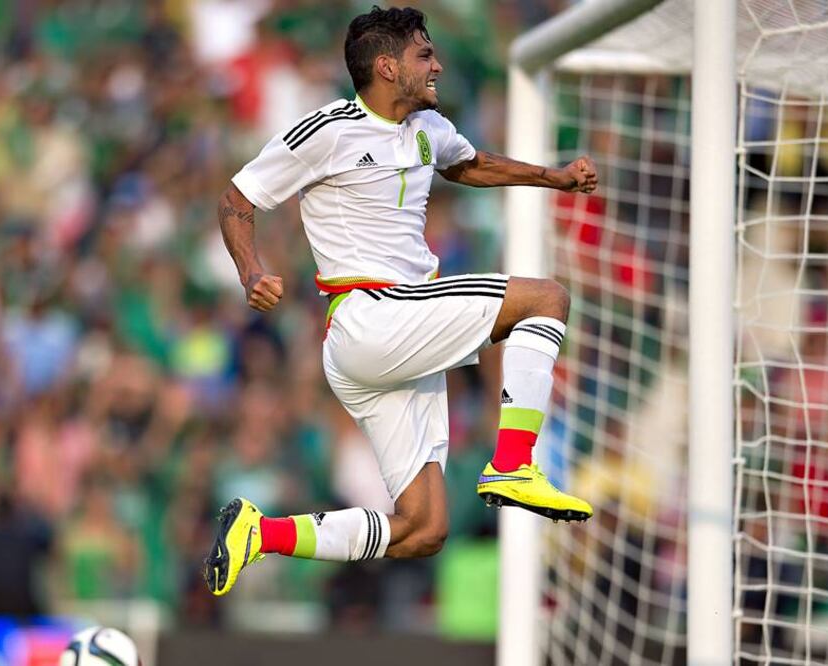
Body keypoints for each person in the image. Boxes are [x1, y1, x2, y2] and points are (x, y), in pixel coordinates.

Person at [206, 6, 597, 597]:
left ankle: (261, 534)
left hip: (389, 344)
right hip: (373, 314)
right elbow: (237, 199)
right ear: (387, 67)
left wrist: (554, 178)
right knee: (546, 298)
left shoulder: (428, 127)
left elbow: (470, 165)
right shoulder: (327, 130)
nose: (437, 65)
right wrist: (251, 271)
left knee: (423, 529)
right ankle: (514, 463)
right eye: (424, 54)